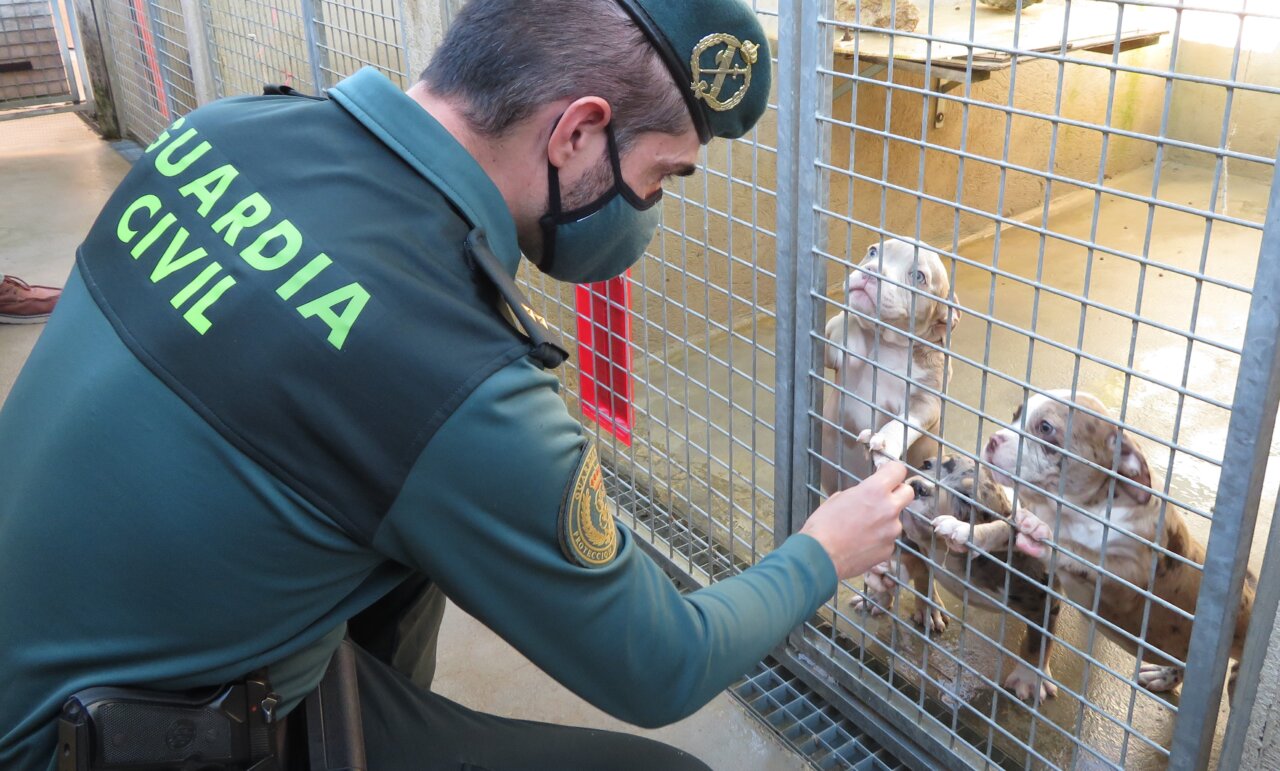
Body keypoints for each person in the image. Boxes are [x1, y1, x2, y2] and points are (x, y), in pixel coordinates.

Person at [0, 1, 912, 769]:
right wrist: (823, 551)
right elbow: (662, 666)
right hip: (97, 742)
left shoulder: (224, 130)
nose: (651, 210)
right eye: (660, 176)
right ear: (578, 132)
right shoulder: (452, 373)